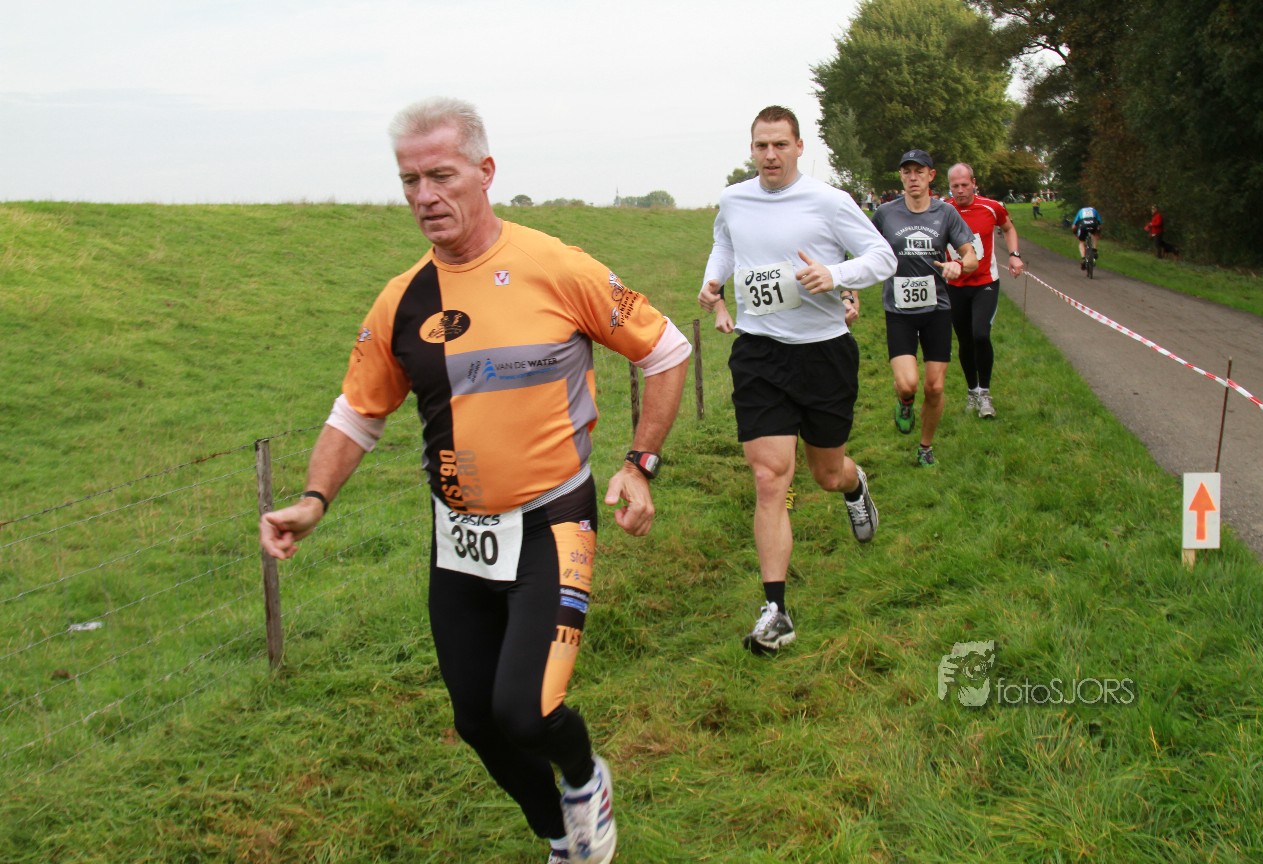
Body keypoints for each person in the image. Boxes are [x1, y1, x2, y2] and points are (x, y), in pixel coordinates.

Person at [258, 97, 691, 864]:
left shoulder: (558, 267)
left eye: (441, 176)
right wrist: (314, 500)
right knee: (476, 722)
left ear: (485, 172)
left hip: (553, 520)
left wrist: (639, 464)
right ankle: (560, 835)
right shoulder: (402, 300)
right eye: (409, 180)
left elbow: (665, 350)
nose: (424, 196)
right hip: (458, 536)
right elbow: (357, 413)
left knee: (528, 711)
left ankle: (585, 780)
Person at [697, 105, 896, 655]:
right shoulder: (734, 199)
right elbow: (725, 243)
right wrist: (714, 280)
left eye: (780, 144)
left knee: (826, 472)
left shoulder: (829, 201)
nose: (770, 155)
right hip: (759, 352)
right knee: (769, 477)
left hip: (823, 353)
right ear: (751, 149)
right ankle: (776, 611)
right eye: (761, 145)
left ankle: (854, 486)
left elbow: (883, 257)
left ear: (799, 147)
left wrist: (835, 273)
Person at [871, 149, 976, 467]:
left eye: (919, 171)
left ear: (931, 175)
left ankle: (925, 447)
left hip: (937, 309)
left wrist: (960, 265)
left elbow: (971, 256)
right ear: (901, 176)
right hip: (899, 310)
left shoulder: (946, 213)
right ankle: (905, 402)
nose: (912, 177)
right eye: (907, 172)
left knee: (935, 386)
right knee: (908, 384)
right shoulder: (885, 214)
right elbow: (865, 249)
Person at [945, 163, 1024, 419]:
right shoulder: (943, 210)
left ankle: (985, 393)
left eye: (964, 185)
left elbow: (1008, 228)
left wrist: (1014, 254)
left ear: (974, 183)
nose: (960, 190)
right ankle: (972, 391)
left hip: (985, 283)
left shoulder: (991, 207)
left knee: (980, 334)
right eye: (955, 186)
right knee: (965, 340)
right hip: (955, 286)